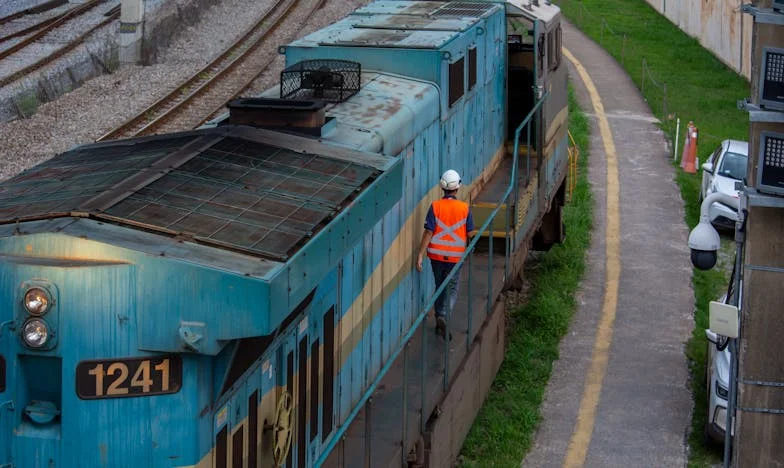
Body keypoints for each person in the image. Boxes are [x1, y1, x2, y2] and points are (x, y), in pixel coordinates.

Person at [416, 169, 474, 339]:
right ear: (458, 187)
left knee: (439, 285)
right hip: (455, 257)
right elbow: (470, 233)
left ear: (442, 187)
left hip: (435, 256)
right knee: (453, 288)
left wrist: (420, 254)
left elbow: (428, 232)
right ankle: (442, 315)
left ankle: (438, 318)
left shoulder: (435, 206)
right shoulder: (464, 208)